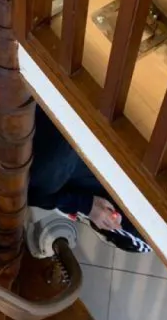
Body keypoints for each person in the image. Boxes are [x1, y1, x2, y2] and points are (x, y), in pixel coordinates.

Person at [28, 106, 152, 254]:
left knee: (36, 184)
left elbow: (102, 217)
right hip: (90, 127)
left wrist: (87, 205)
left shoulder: (147, 240)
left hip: (68, 158)